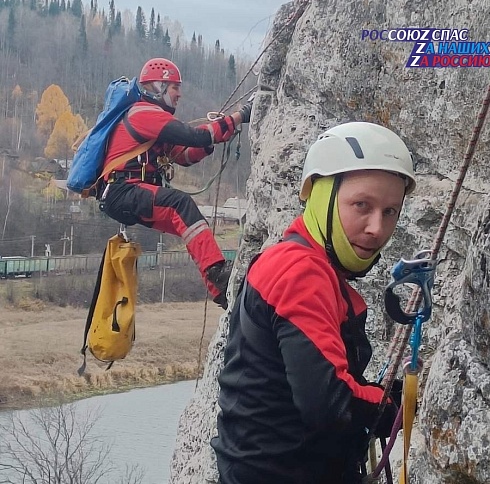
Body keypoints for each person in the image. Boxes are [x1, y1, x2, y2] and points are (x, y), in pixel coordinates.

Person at [211, 122, 415, 483]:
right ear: (321, 196)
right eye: (361, 205)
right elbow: (330, 404)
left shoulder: (300, 263)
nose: (376, 228)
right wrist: (404, 405)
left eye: (390, 212)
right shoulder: (300, 272)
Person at [99, 58, 253, 309]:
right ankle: (218, 274)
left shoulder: (150, 119)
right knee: (180, 205)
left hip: (124, 192)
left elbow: (184, 155)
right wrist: (239, 116)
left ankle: (219, 289)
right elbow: (194, 135)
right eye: (175, 88)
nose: (179, 94)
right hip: (122, 190)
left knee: (189, 221)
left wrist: (213, 139)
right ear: (158, 87)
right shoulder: (143, 113)